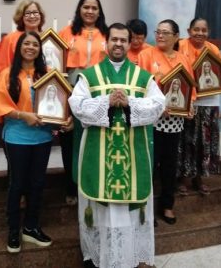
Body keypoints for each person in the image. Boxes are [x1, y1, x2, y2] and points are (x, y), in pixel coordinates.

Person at [69, 23, 165, 268]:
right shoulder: (89, 76)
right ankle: (99, 258)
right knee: (101, 211)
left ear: (129, 43)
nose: (119, 44)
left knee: (128, 211)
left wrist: (130, 102)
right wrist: (106, 102)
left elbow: (158, 105)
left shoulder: (143, 77)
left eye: (123, 40)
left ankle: (127, 258)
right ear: (106, 42)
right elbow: (77, 105)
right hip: (98, 154)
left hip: (133, 155)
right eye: (115, 39)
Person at [0, 32, 71, 253]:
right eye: (26, 44)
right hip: (17, 138)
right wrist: (23, 115)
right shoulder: (7, 74)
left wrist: (64, 119)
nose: (31, 47)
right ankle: (14, 230)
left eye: (35, 44)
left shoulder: (48, 74)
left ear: (40, 50)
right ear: (19, 48)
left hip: (42, 137)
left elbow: (59, 102)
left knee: (38, 183)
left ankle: (31, 227)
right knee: (17, 184)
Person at [137, 19, 195, 225]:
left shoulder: (183, 59)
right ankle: (145, 209)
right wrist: (157, 107)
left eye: (165, 32)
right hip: (152, 120)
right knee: (150, 164)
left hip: (175, 122)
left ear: (176, 36)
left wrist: (190, 105)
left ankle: (167, 205)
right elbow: (140, 86)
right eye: (158, 32)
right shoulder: (146, 55)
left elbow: (190, 88)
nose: (160, 36)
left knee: (170, 165)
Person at [59, 0, 109, 206]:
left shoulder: (107, 34)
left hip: (98, 93)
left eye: (94, 8)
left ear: (99, 12)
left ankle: (93, 184)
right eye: (86, 7)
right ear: (79, 9)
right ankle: (71, 187)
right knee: (69, 139)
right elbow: (57, 62)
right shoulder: (67, 32)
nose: (90, 11)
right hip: (71, 90)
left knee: (95, 138)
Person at [178, 18, 221, 195]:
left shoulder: (213, 49)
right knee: (186, 139)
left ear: (208, 32)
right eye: (196, 29)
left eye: (203, 30)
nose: (199, 33)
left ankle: (199, 177)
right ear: (189, 30)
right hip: (187, 101)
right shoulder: (180, 46)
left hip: (209, 101)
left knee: (204, 140)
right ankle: (182, 178)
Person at [0, 0, 46, 71]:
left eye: (35, 12)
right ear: (21, 16)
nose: (32, 16)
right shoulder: (9, 39)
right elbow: (3, 68)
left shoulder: (49, 38)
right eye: (27, 13)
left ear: (41, 15)